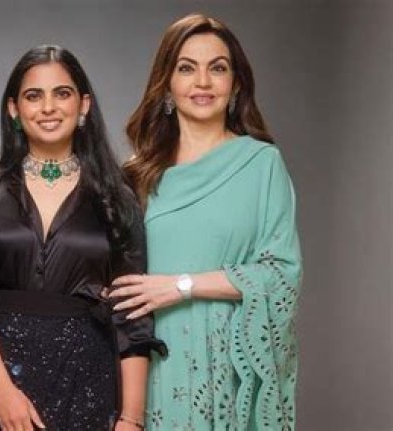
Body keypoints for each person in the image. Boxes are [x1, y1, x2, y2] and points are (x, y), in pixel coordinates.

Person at [0, 44, 166, 431]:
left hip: (88, 384)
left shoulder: (118, 198)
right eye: (34, 96)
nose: (48, 107)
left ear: (83, 105)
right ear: (14, 109)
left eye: (62, 93)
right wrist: (2, 391)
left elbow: (133, 316)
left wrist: (131, 419)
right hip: (0, 385)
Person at [109, 13, 303, 430]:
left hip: (227, 369)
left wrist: (181, 286)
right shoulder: (136, 176)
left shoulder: (261, 164)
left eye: (217, 68)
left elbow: (281, 275)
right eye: (186, 68)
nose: (202, 82)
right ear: (166, 84)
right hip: (152, 367)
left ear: (235, 84)